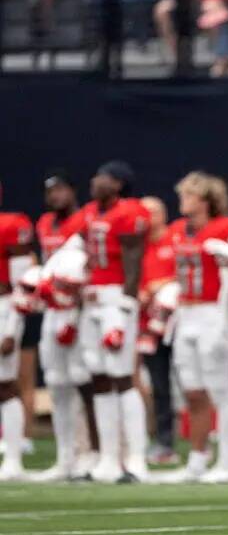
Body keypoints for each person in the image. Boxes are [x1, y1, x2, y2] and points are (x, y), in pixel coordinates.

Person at [166, 173, 228, 482]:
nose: (183, 200)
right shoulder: (176, 230)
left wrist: (226, 320)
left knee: (220, 392)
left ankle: (226, 463)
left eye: (189, 195)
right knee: (193, 393)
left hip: (213, 311)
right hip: (185, 312)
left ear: (206, 200)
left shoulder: (227, 229)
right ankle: (197, 460)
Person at [77, 162, 150, 483]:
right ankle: (108, 458)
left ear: (119, 184)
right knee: (99, 377)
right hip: (92, 298)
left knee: (122, 376)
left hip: (115, 298)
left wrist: (127, 301)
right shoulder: (90, 212)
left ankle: (136, 459)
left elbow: (133, 258)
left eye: (103, 176)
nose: (95, 181)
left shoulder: (130, 211)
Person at [32, 171, 92, 480]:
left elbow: (90, 267)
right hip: (53, 310)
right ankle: (65, 456)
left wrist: (77, 308)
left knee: (83, 381)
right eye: (50, 192)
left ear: (72, 190)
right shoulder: (44, 223)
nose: (54, 197)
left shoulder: (84, 220)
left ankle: (89, 453)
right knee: (56, 383)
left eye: (60, 190)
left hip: (78, 311)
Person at [138, 195, 178, 466]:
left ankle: (206, 437)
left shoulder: (175, 238)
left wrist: (161, 284)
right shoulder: (137, 246)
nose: (148, 218)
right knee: (159, 385)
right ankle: (163, 440)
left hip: (179, 321)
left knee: (193, 381)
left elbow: (186, 272)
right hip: (149, 326)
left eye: (153, 212)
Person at [0, 191, 34, 481]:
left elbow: (22, 286)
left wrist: (12, 326)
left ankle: (13, 458)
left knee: (5, 386)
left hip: (2, 307)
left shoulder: (11, 224)